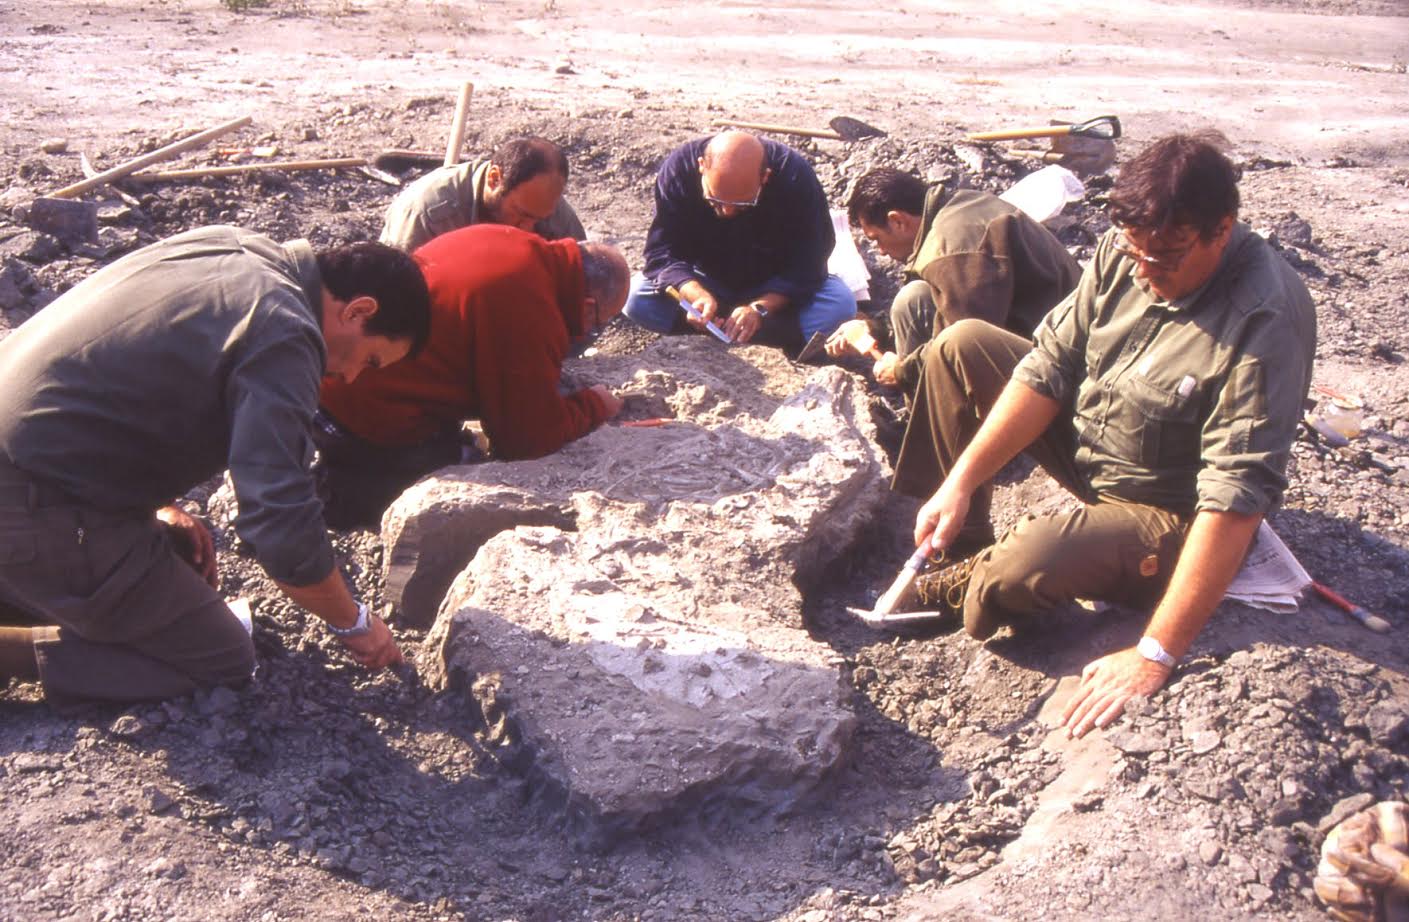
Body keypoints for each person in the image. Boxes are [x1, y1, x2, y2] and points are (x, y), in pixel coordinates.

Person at [891, 133, 1315, 738]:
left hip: (1169, 509)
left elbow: (1234, 497)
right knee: (960, 344)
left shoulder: (1263, 322)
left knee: (1024, 565)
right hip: (1099, 444)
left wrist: (1155, 654)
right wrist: (960, 483)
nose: (1145, 271)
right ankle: (954, 539)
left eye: (1165, 259)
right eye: (1135, 253)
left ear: (1222, 229)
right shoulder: (1131, 250)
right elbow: (1048, 368)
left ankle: (975, 579)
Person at [0, 226, 432, 705]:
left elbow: (125, 375)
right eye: (370, 360)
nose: (349, 377)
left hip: (32, 468)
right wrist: (352, 621)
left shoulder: (233, 247)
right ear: (359, 310)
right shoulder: (286, 331)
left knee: (179, 558)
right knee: (221, 655)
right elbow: (277, 515)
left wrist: (160, 504)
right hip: (32, 501)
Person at [316, 224, 631, 527]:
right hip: (360, 409)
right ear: (588, 308)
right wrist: (594, 406)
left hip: (329, 371)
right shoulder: (532, 308)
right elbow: (528, 440)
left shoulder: (511, 243)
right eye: (600, 323)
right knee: (463, 462)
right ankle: (341, 494)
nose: (592, 331)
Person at [827, 168, 1080, 393]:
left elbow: (964, 344)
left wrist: (903, 371)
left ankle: (938, 437)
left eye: (877, 239)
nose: (880, 251)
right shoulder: (956, 208)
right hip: (1036, 334)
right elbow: (950, 309)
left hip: (1059, 368)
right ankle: (923, 412)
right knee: (914, 298)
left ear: (898, 220)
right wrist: (874, 331)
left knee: (912, 301)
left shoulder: (954, 249)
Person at [622, 130, 856, 350]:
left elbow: (811, 262)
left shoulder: (795, 178)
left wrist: (760, 309)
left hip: (775, 288)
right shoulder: (679, 171)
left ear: (765, 177)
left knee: (840, 305)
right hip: (707, 281)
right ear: (701, 167)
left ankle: (741, 330)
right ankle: (752, 333)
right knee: (636, 298)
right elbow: (661, 253)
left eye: (742, 205)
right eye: (714, 201)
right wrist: (694, 293)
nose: (726, 212)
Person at [379, 136, 586, 252]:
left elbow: (580, 281)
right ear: (494, 178)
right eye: (521, 215)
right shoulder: (426, 213)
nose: (528, 228)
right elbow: (395, 294)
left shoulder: (549, 209)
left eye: (537, 219)